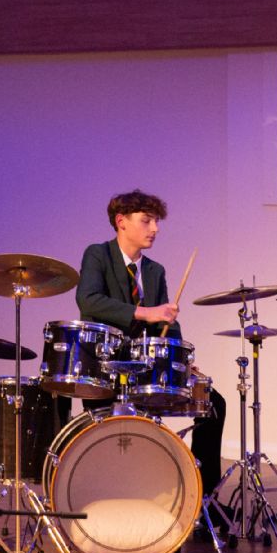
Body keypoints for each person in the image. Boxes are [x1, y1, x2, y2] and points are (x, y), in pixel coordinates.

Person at [73, 189, 226, 499]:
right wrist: (146, 312)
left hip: (146, 372)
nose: (155, 229)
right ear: (121, 222)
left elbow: (167, 323)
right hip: (107, 370)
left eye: (156, 222)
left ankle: (203, 497)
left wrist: (180, 361)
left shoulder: (155, 271)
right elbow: (88, 300)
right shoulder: (98, 254)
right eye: (146, 221)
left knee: (214, 404)